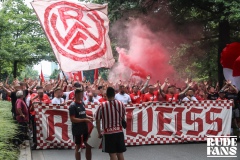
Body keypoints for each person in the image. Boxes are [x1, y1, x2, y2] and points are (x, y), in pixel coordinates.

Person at [95, 87, 126, 160]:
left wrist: (99, 132)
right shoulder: (121, 104)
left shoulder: (102, 105)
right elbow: (123, 118)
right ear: (114, 94)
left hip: (108, 133)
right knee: (120, 153)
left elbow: (97, 119)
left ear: (106, 95)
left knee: (112, 154)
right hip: (119, 132)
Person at [69, 88, 92, 160]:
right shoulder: (72, 106)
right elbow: (73, 119)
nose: (82, 95)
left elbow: (83, 114)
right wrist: (84, 120)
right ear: (76, 95)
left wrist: (90, 117)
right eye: (81, 94)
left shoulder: (82, 103)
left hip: (84, 128)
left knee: (88, 145)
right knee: (78, 146)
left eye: (82, 94)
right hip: (77, 129)